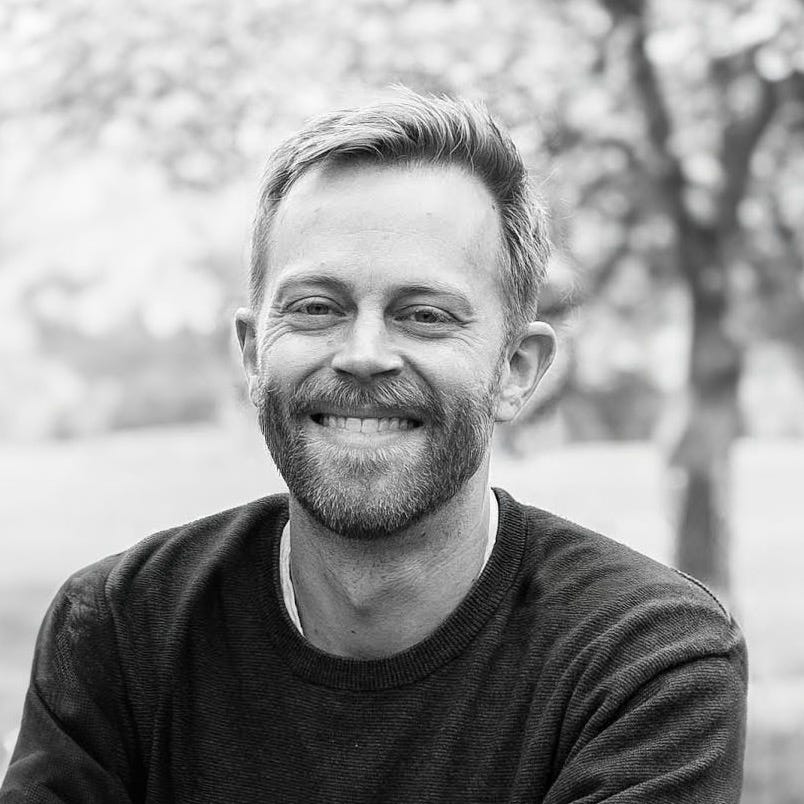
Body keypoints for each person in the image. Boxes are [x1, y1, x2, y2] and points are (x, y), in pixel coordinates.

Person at [1, 90, 746, 803]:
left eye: (424, 315)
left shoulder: (644, 662)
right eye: (316, 307)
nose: (362, 355)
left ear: (516, 369)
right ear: (254, 352)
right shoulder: (120, 631)